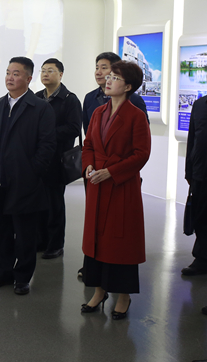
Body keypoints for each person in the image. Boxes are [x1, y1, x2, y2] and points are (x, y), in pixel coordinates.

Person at [0, 57, 56, 295]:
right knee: (1, 233)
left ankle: (22, 277)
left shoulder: (40, 107)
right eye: (8, 73)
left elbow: (47, 146)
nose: (10, 78)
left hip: (25, 182)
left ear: (29, 78)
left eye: (16, 73)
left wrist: (32, 172)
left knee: (24, 234)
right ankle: (2, 272)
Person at [81, 61, 150, 320]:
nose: (108, 80)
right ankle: (99, 291)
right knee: (96, 240)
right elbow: (88, 145)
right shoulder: (98, 112)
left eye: (115, 77)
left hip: (121, 186)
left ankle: (123, 295)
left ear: (128, 86)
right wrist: (88, 166)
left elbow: (141, 154)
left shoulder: (136, 116)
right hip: (97, 185)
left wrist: (112, 171)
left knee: (120, 242)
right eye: (108, 76)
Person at [34, 58, 82, 259]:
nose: (45, 74)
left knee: (54, 203)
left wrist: (46, 134)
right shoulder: (36, 97)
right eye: (43, 70)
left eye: (50, 71)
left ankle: (55, 244)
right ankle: (41, 241)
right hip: (39, 159)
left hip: (57, 160)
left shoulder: (70, 99)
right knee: (38, 202)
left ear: (60, 75)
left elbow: (73, 128)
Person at [182, 94, 207, 276]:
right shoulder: (199, 105)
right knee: (201, 217)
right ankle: (202, 259)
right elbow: (192, 139)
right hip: (201, 171)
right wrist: (189, 171)